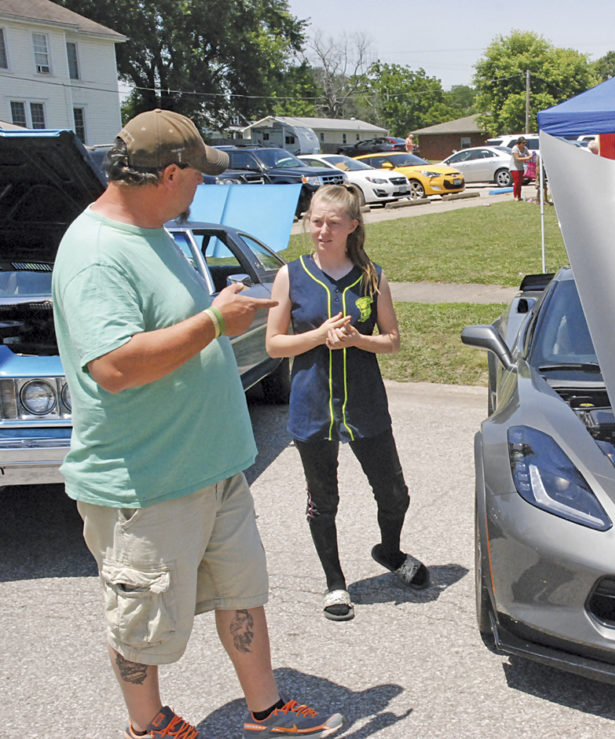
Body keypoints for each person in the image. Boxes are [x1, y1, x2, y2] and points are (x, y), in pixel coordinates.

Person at [51, 109, 345, 739]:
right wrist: (215, 323)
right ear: (170, 174)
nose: (203, 185)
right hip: (148, 482)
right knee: (140, 622)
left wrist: (218, 313)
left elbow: (167, 329)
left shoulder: (152, 231)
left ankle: (266, 711)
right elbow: (114, 367)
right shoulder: (96, 253)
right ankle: (148, 724)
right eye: (198, 174)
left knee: (242, 593)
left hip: (212, 468)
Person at [265, 184, 429, 624]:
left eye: (333, 223)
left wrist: (358, 339)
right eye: (316, 221)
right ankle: (335, 582)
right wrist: (318, 336)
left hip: (365, 405)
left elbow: (392, 341)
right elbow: (274, 344)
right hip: (312, 406)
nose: (322, 231)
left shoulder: (372, 276)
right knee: (323, 500)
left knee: (393, 493)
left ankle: (390, 552)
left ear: (352, 226)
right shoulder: (291, 275)